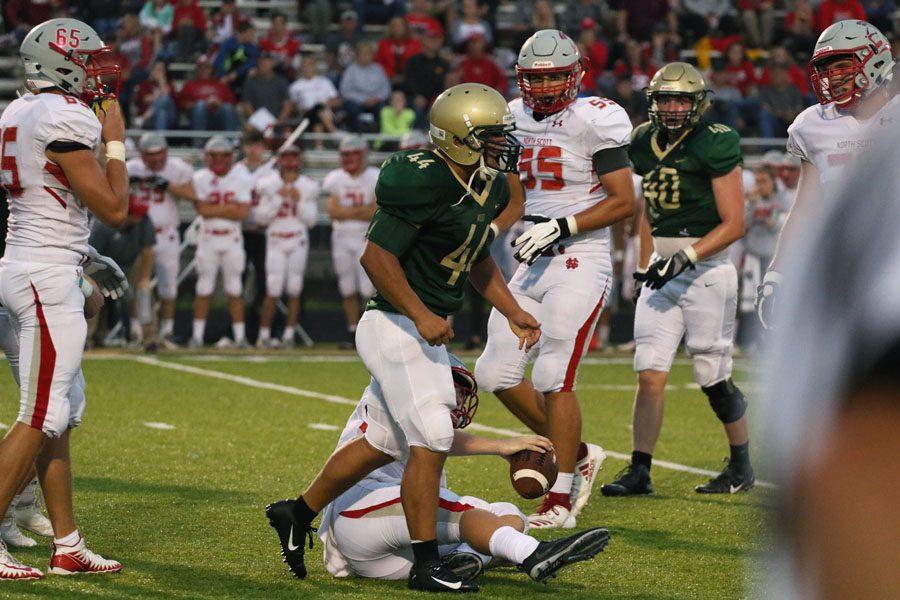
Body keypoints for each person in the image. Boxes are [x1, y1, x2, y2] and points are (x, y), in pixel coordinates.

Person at [265, 83, 541, 592]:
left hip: (422, 325)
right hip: (393, 320)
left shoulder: (492, 186)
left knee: (384, 440)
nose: (503, 144)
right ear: (457, 138)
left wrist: (514, 310)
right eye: (490, 136)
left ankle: (297, 511)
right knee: (432, 435)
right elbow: (375, 257)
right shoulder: (421, 179)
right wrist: (419, 313)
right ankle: (425, 563)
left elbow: (477, 258)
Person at [474, 29, 636, 529]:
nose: (542, 88)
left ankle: (561, 496)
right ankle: (579, 453)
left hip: (581, 257)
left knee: (551, 376)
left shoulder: (595, 119)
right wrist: (490, 232)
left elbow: (624, 200)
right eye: (534, 79)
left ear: (575, 75)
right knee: (494, 373)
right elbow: (518, 202)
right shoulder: (513, 119)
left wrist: (563, 225)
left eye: (552, 78)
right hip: (532, 256)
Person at [0, 17, 129, 579]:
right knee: (40, 414)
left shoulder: (19, 109)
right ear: (60, 61)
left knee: (62, 412)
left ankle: (67, 543)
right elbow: (114, 208)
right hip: (44, 275)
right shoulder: (63, 115)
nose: (97, 73)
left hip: (36, 262)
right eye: (88, 61)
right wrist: (118, 140)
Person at [319, 356, 611, 584]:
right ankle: (532, 554)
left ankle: (466, 559)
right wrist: (498, 446)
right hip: (359, 515)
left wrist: (501, 448)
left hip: (398, 554)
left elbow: (437, 438)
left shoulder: (424, 424)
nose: (458, 401)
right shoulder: (392, 400)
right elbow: (423, 433)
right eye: (453, 389)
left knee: (509, 515)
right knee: (464, 513)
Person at [600, 62, 753, 497]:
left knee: (712, 375)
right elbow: (649, 206)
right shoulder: (643, 141)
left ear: (697, 104)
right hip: (662, 273)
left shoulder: (715, 142)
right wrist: (646, 258)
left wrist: (685, 256)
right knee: (649, 371)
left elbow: (734, 222)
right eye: (664, 99)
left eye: (680, 100)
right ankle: (640, 470)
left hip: (706, 270)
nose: (670, 108)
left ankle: (741, 464)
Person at [757, 20, 897, 330]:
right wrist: (776, 273)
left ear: (874, 59)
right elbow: (806, 208)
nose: (832, 78)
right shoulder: (813, 125)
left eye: (841, 65)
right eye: (826, 68)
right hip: (844, 266)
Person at [125, 133, 196, 346]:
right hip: (139, 233)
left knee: (168, 286)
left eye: (159, 156)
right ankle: (137, 329)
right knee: (138, 283)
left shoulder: (177, 168)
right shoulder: (132, 168)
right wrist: (128, 183)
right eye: (150, 156)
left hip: (167, 233)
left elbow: (192, 195)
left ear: (166, 152)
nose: (155, 161)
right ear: (142, 155)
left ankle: (167, 330)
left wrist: (168, 185)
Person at [189, 136, 252, 349]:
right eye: (214, 156)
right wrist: (228, 209)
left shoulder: (241, 177)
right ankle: (197, 336)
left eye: (223, 156)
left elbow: (243, 212)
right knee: (203, 287)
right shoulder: (199, 178)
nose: (219, 160)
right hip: (208, 237)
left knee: (235, 288)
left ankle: (240, 336)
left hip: (232, 238)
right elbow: (202, 210)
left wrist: (214, 209)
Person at [254, 146, 319, 349]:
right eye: (286, 158)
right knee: (272, 287)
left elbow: (311, 221)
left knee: (294, 287)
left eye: (293, 157)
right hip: (275, 238)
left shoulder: (308, 186)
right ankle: (263, 334)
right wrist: (278, 199)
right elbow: (260, 217)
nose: (290, 163)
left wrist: (298, 202)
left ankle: (289, 334)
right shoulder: (268, 184)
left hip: (297, 238)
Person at [323, 135, 379, 349]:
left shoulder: (375, 175)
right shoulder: (335, 178)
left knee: (368, 288)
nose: (349, 158)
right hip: (341, 238)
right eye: (345, 154)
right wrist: (361, 211)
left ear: (363, 154)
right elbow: (333, 211)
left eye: (354, 153)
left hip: (367, 236)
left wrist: (348, 212)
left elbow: (375, 212)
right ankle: (353, 330)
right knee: (347, 287)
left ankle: (370, 331)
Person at [88, 190, 157, 348]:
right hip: (102, 263)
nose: (140, 218)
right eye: (136, 214)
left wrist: (145, 279)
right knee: (92, 292)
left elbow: (147, 251)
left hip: (131, 262)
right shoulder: (103, 225)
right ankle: (88, 338)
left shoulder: (144, 220)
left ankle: (149, 338)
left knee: (145, 292)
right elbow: (91, 256)